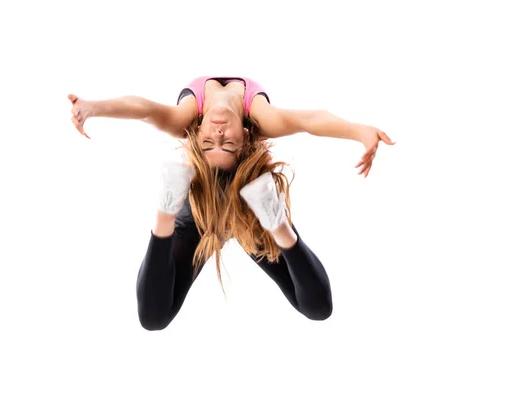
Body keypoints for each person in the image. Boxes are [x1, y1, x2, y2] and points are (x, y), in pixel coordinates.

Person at [68, 76, 395, 330]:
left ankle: (277, 227)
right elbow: (309, 120)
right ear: (248, 137)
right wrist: (357, 131)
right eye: (225, 143)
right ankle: (168, 215)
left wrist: (94, 107)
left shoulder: (188, 118)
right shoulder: (259, 117)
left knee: (318, 309)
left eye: (210, 141)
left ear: (195, 135)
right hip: (204, 207)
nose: (218, 133)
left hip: (252, 205)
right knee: (153, 319)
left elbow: (145, 109)